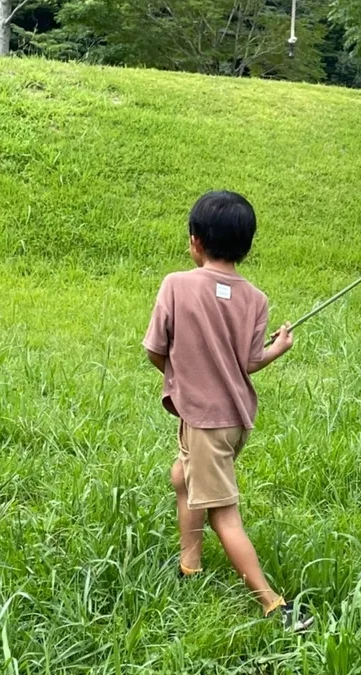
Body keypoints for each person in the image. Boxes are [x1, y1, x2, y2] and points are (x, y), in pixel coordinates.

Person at [143, 190, 313, 632]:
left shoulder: (176, 285)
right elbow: (250, 360)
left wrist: (178, 378)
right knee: (182, 477)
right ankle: (189, 563)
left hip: (204, 422)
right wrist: (280, 347)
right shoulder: (255, 299)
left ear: (195, 241)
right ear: (246, 245)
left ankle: (274, 604)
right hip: (235, 421)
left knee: (223, 513)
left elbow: (154, 350)